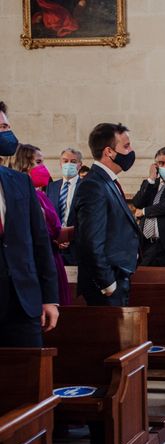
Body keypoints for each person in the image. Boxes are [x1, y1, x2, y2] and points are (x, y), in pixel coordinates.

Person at [0, 101, 59, 347]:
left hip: (23, 303)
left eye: (8, 126)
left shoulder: (19, 182)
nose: (9, 132)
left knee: (29, 379)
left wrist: (49, 298)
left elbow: (39, 242)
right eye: (2, 127)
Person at [74, 122, 141, 306]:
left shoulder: (107, 182)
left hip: (119, 277)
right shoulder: (94, 185)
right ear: (109, 152)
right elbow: (91, 241)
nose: (131, 151)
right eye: (126, 146)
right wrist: (108, 283)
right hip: (107, 286)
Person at [29, 163, 72, 305]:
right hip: (36, 260)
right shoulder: (26, 196)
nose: (43, 167)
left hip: (52, 256)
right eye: (38, 162)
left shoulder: (40, 195)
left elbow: (54, 230)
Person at [46, 147, 83, 265]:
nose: (69, 164)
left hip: (77, 248)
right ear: (60, 164)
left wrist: (68, 237)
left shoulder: (87, 186)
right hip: (54, 247)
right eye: (65, 161)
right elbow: (47, 215)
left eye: (73, 162)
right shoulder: (51, 187)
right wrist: (57, 237)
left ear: (80, 165)